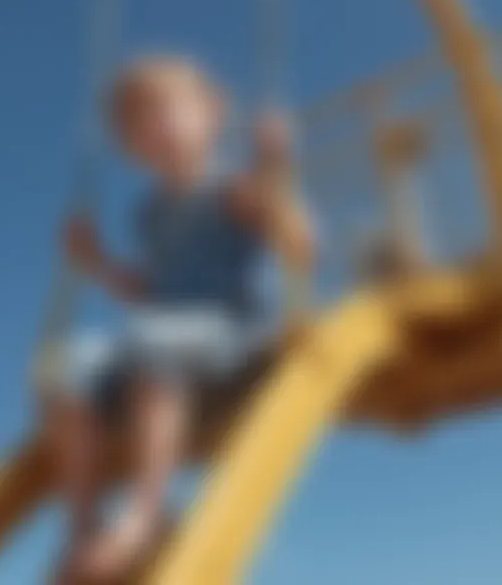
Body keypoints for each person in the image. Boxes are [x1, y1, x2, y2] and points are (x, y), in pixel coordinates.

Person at [42, 56, 315, 583]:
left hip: (237, 336)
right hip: (166, 344)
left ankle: (146, 514)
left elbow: (302, 250)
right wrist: (95, 260)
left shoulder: (234, 188)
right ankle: (81, 526)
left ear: (213, 114)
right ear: (131, 148)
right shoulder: (148, 212)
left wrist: (276, 170)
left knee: (154, 340)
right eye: (136, 124)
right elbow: (151, 291)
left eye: (167, 109)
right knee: (67, 365)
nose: (153, 127)